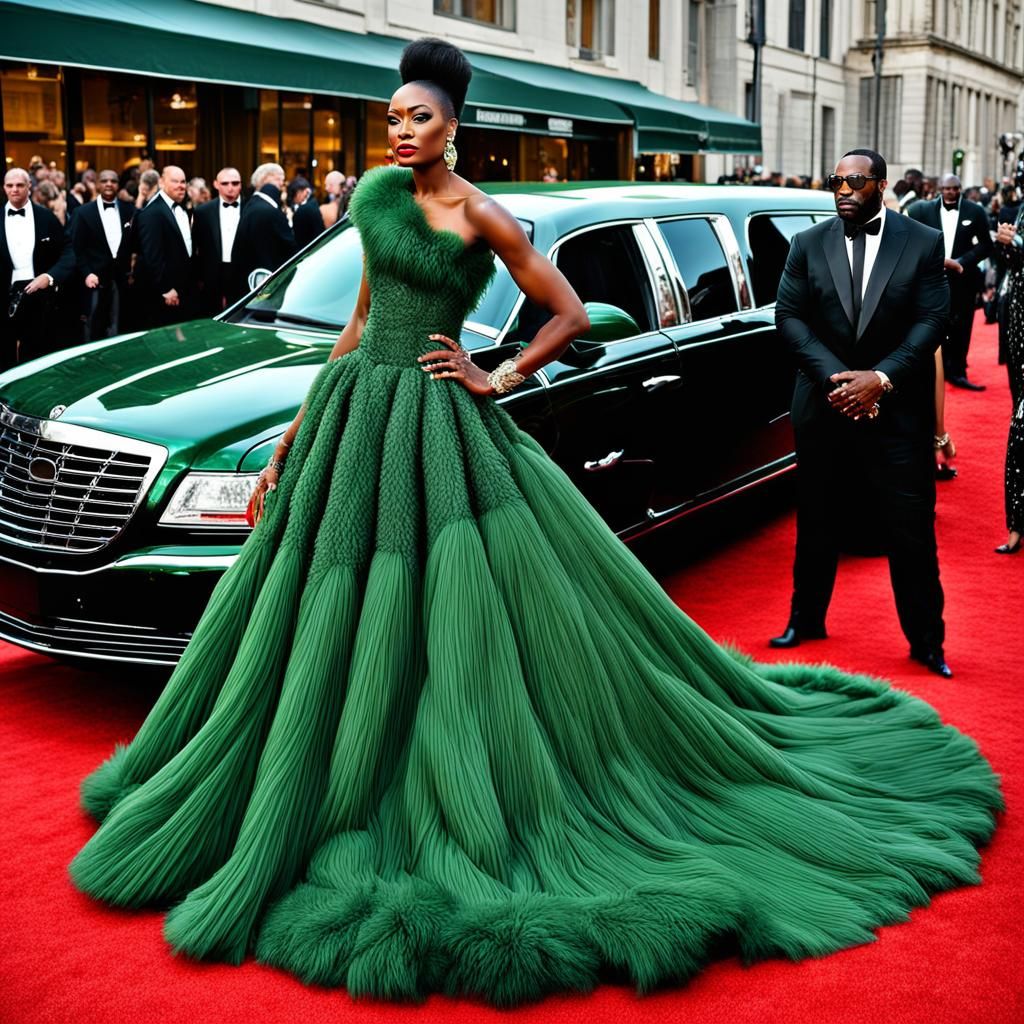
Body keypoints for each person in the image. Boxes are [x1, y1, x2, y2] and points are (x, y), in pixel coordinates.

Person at [69, 43, 1001, 1007]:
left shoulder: (484, 213)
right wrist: (295, 436)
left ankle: (435, 779)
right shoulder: (378, 200)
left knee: (446, 605)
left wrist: (498, 374)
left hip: (439, 422)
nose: (400, 129)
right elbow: (356, 321)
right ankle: (323, 767)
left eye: (419, 117)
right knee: (320, 597)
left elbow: (564, 313)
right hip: (355, 416)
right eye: (392, 116)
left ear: (453, 126)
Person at [772, 149, 954, 679]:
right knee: (817, 521)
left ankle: (927, 642)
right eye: (837, 181)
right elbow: (790, 318)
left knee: (910, 530)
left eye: (855, 181)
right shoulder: (807, 243)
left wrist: (880, 379)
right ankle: (804, 621)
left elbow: (933, 321)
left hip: (898, 415)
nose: (844, 190)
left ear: (881, 184)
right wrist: (842, 381)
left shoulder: (920, 241)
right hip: (825, 407)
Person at [909, 174, 994, 390]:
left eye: (955, 189)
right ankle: (932, 372)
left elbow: (986, 245)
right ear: (940, 189)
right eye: (947, 189)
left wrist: (962, 261)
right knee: (931, 324)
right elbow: (912, 240)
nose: (951, 193)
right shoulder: (921, 210)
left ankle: (958, 371)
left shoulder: (975, 211)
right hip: (931, 279)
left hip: (964, 280)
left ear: (960, 189)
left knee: (963, 326)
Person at [1, 167, 75, 369]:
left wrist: (50, 277)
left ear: (29, 187)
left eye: (19, 185)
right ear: (4, 188)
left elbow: (68, 251)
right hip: (5, 293)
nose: (14, 189)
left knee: (36, 352)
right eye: (10, 185)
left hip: (39, 293)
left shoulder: (46, 217)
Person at [70, 169, 135, 340]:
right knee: (93, 324)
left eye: (113, 181)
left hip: (122, 278)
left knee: (121, 323)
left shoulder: (130, 210)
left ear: (118, 185)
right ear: (97, 184)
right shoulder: (82, 212)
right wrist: (86, 273)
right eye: (104, 180)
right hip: (95, 278)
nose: (109, 184)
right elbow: (76, 248)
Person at [130, 165, 194, 328]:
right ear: (161, 182)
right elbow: (152, 256)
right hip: (162, 292)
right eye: (175, 181)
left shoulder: (182, 209)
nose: (181, 186)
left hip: (183, 288)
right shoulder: (151, 212)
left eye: (183, 182)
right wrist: (166, 289)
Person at [995, 212, 1024, 554]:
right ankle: (1017, 523)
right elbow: (1010, 262)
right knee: (1019, 420)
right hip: (1019, 324)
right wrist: (1006, 243)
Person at [231, 162, 295, 291]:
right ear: (266, 179)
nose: (282, 185)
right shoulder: (268, 211)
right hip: (267, 287)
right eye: (280, 180)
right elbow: (290, 248)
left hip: (251, 285)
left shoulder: (252, 206)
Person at [192, 167, 244, 315]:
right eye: (225, 183)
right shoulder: (203, 212)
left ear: (241, 184)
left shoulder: (251, 209)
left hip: (242, 271)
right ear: (216, 184)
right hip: (212, 273)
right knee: (211, 314)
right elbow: (196, 245)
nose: (230, 188)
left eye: (235, 183)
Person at [288, 175, 325, 249]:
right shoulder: (314, 203)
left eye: (293, 195)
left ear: (299, 192)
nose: (293, 200)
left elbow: (298, 239)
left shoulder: (302, 210)